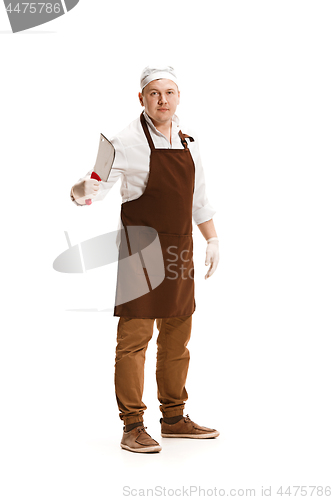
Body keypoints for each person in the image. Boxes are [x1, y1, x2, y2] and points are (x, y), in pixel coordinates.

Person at [70, 66, 220, 453]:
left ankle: (173, 418)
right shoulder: (122, 142)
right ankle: (133, 425)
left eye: (170, 92)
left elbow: (199, 197)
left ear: (179, 97)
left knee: (177, 336)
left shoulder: (189, 140)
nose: (163, 100)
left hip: (180, 249)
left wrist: (213, 239)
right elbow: (92, 192)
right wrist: (80, 189)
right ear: (142, 98)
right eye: (155, 94)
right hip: (141, 252)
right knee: (134, 340)